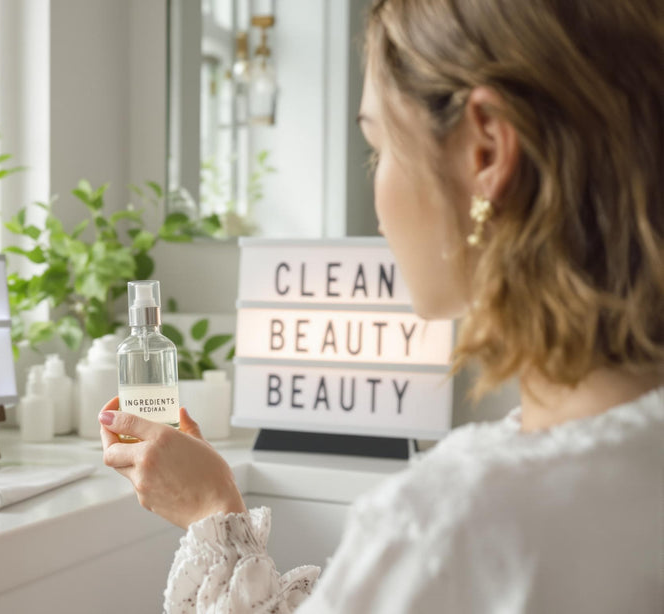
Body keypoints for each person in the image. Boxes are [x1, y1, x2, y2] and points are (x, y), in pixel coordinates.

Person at [98, 0, 664, 611]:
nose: (377, 197)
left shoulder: (453, 529)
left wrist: (213, 513)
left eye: (379, 146)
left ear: (486, 152)